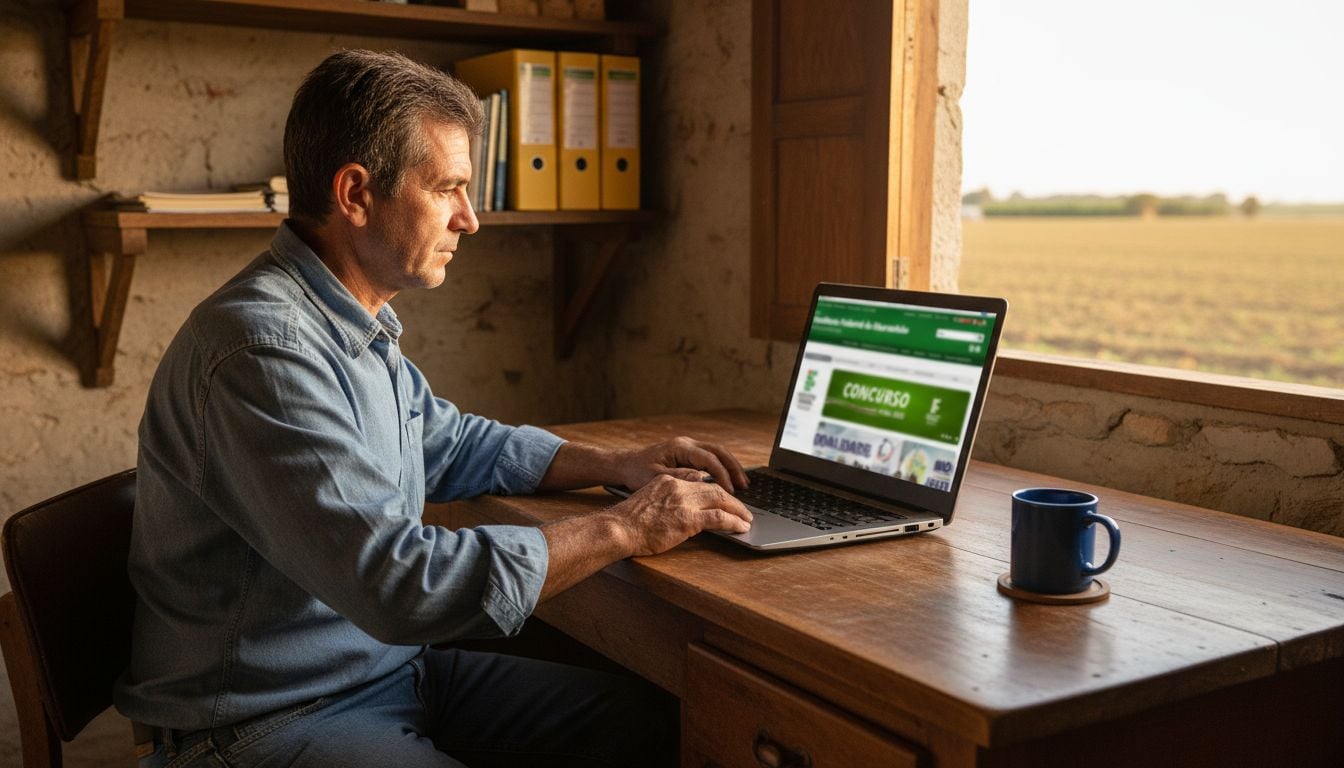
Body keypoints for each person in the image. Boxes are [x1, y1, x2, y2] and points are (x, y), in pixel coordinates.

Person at [114, 49, 753, 768]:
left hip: (387, 673)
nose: (469, 220)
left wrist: (617, 464)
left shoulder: (347, 321)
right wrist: (623, 529)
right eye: (449, 188)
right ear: (356, 194)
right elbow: (399, 584)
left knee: (654, 729)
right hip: (265, 721)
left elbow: (446, 443)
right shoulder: (265, 350)